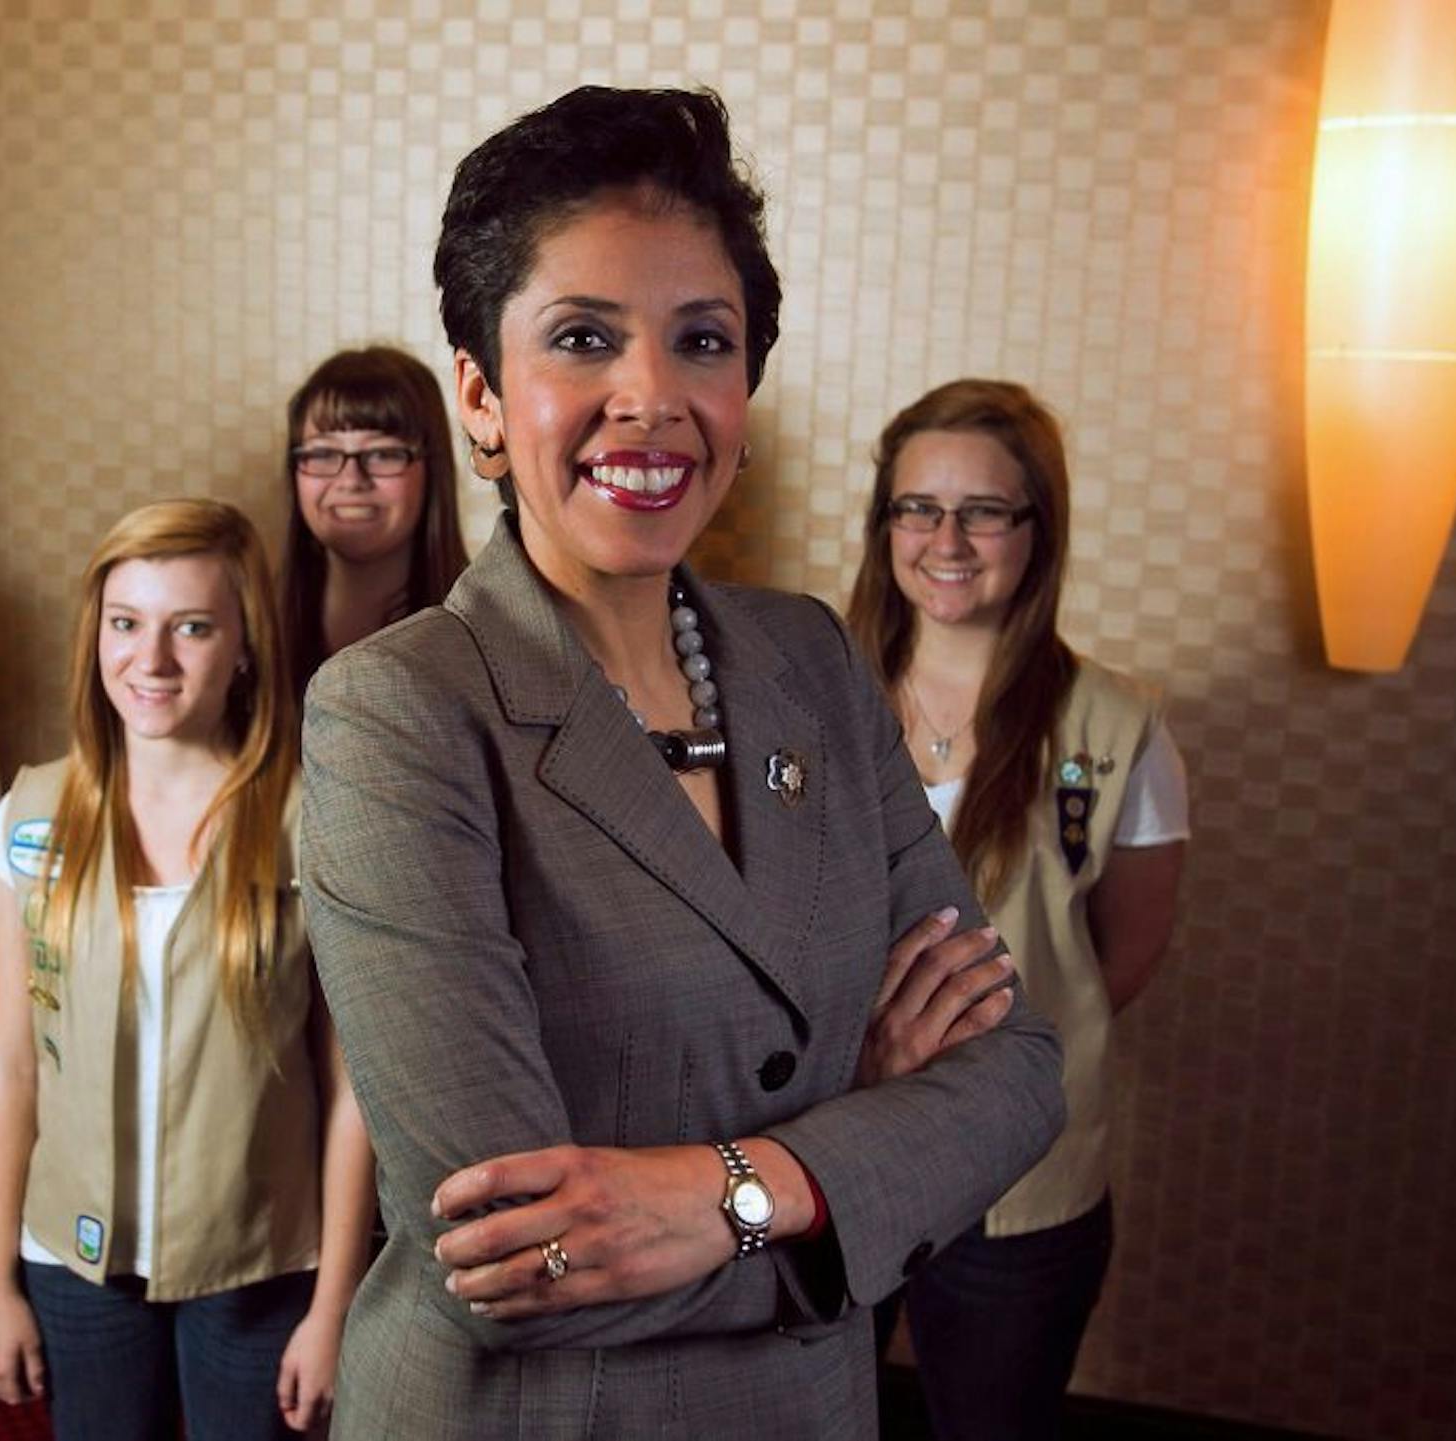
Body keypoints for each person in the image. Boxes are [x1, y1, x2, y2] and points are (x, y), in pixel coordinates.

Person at [299, 86, 1067, 1438]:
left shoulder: (812, 661)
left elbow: (1016, 1079)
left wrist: (736, 1189)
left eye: (701, 341)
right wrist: (863, 1129)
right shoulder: (397, 711)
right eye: (582, 338)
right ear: (481, 397)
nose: (651, 397)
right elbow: (521, 1259)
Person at [0, 498, 375, 1439]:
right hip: (74, 1264)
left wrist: (334, 1304)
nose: (149, 660)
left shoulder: (313, 822)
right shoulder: (30, 817)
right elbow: (8, 1067)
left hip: (260, 1266)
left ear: (244, 645)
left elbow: (352, 1089)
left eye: (190, 627)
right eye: (126, 623)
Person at [848, 378, 1188, 1440]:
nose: (946, 540)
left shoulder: (1117, 727)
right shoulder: (810, 694)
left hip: (1021, 1175)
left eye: (984, 511)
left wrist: (988, 1056)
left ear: (1038, 527)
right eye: (918, 507)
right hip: (831, 1146)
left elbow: (1119, 958)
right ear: (886, 525)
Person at [278, 345, 468, 700]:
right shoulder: (254, 631)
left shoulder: (484, 640)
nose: (351, 480)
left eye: (382, 454)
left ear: (432, 469)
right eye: (323, 453)